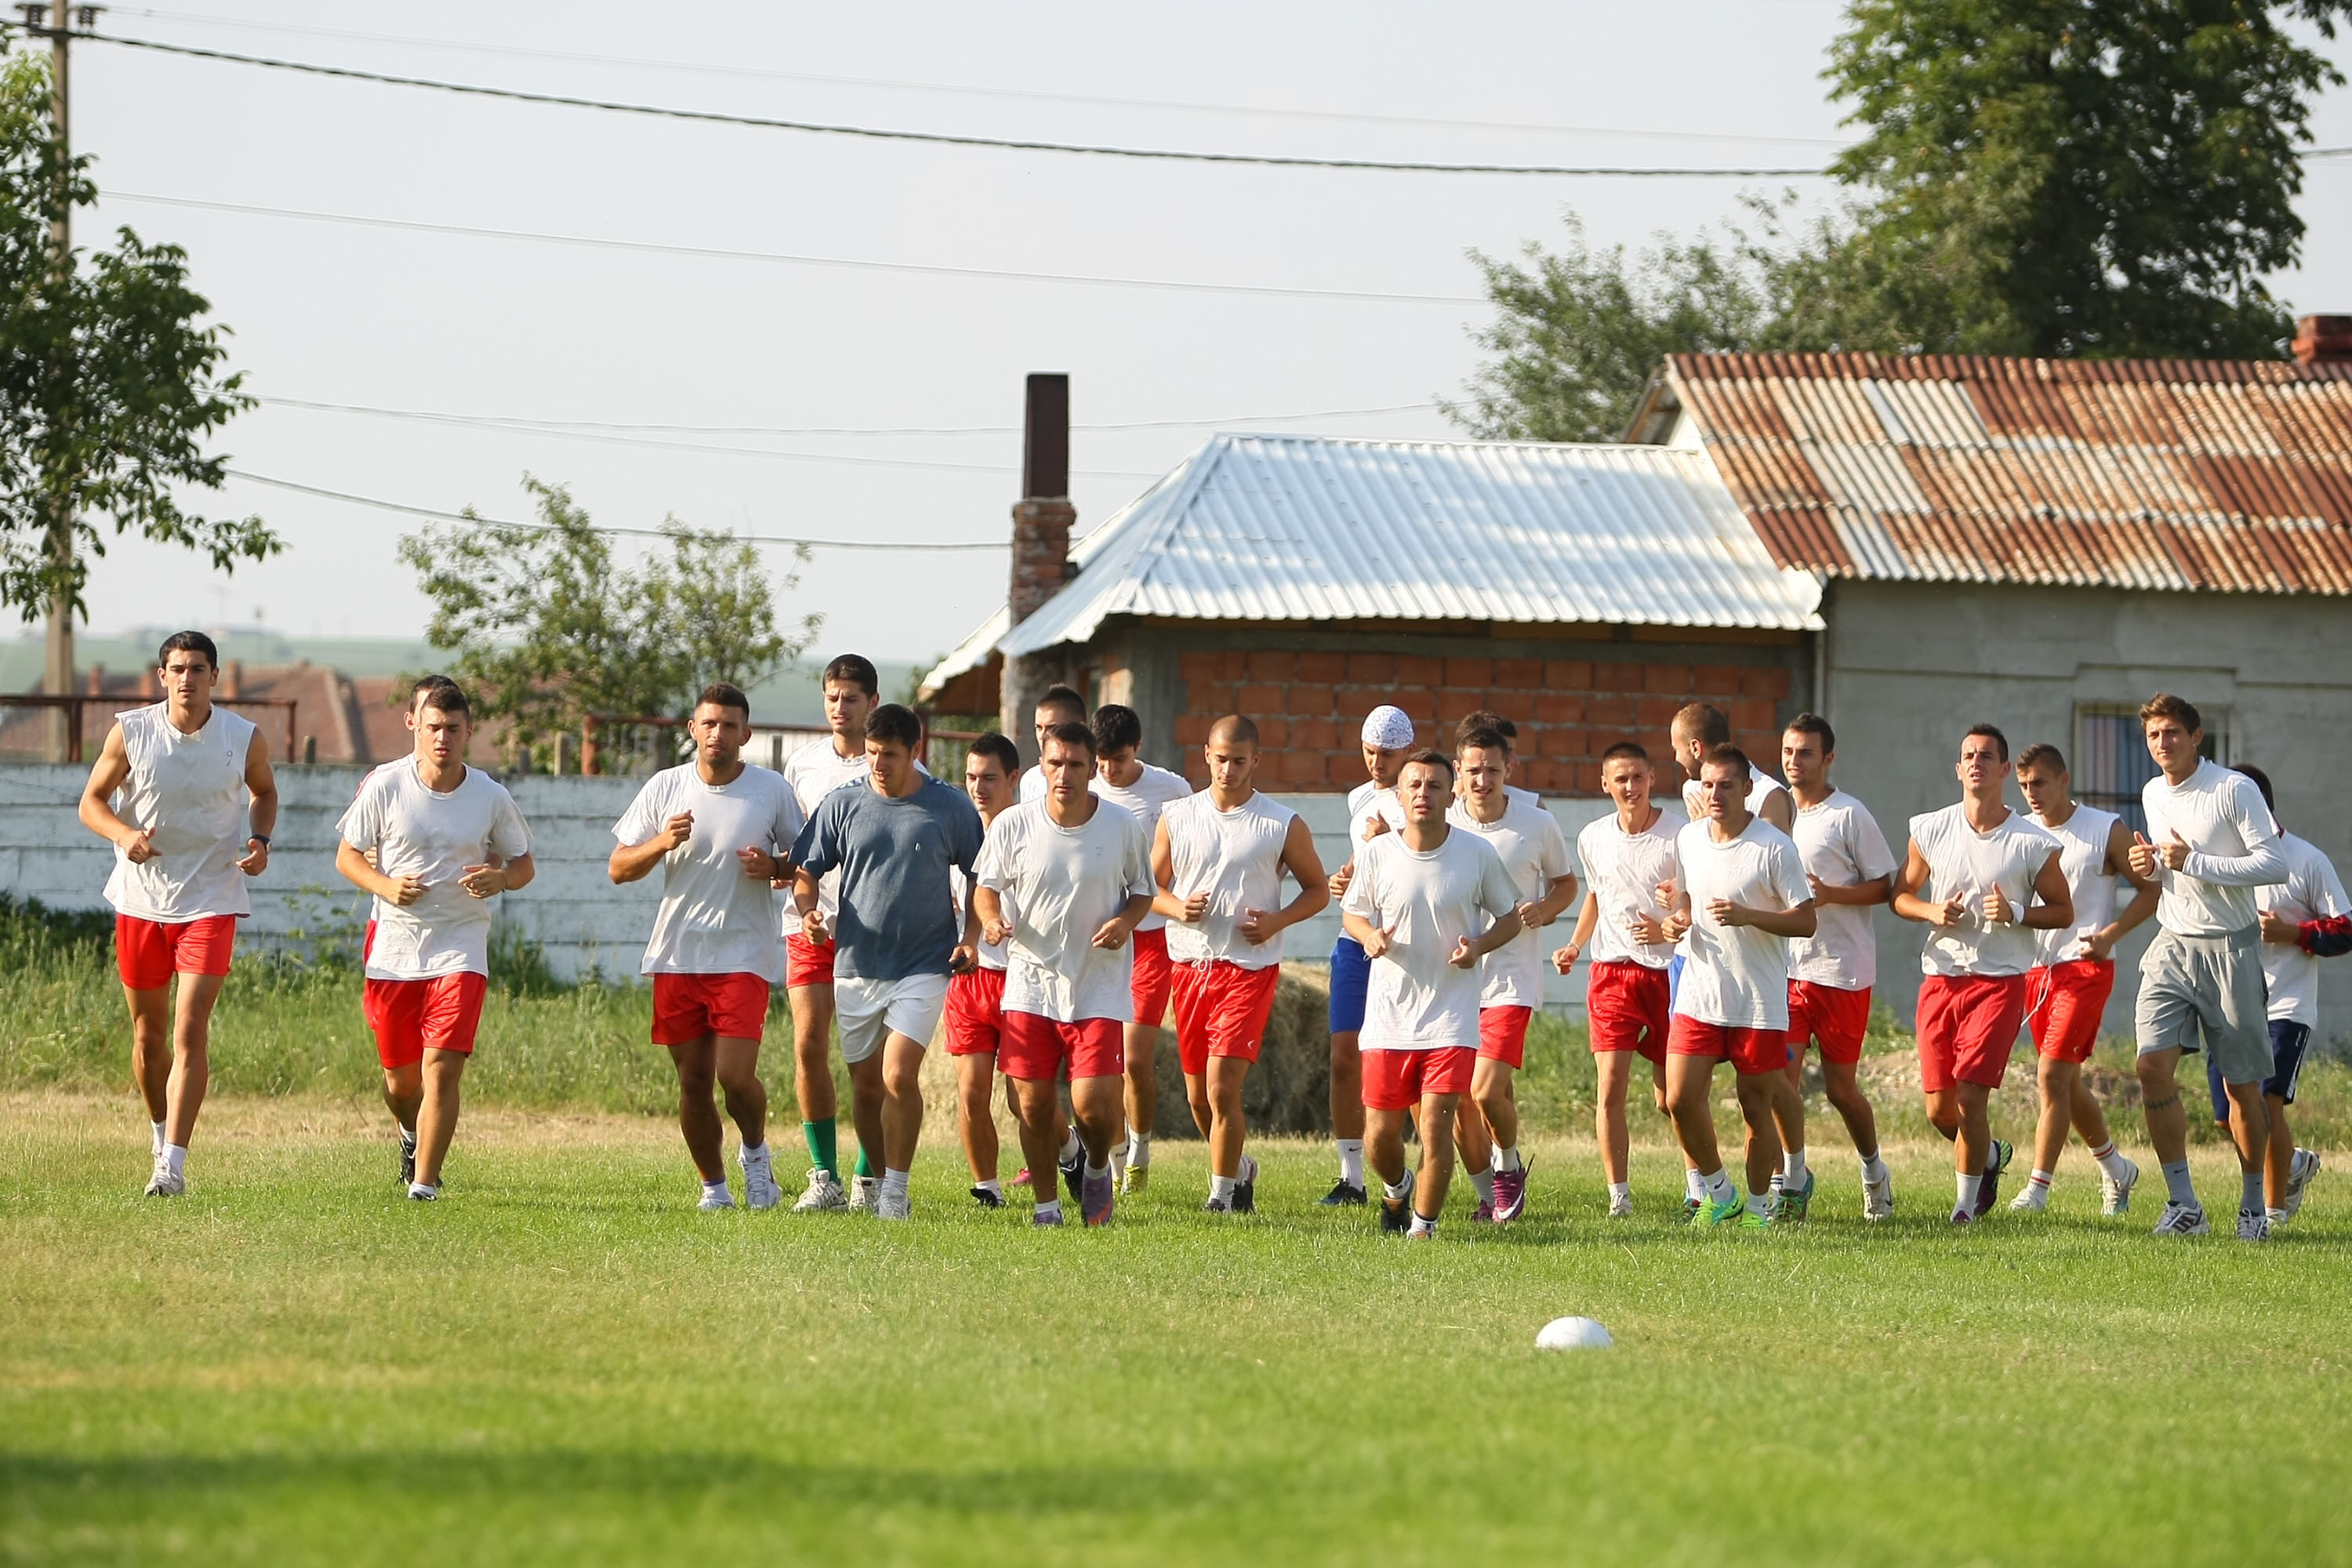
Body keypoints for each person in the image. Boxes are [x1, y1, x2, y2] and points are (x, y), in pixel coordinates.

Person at [78, 630, 278, 1197]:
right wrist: (124, 836)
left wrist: (261, 841)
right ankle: (159, 1131)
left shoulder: (242, 738)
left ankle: (173, 1165)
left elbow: (264, 792)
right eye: (177, 668)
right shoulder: (132, 731)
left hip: (211, 899)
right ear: (160, 676)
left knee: (191, 1030)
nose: (187, 678)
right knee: (149, 1038)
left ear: (215, 676)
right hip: (141, 900)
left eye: (197, 668)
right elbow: (91, 802)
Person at [334, 681, 534, 1201]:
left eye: (452, 729)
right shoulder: (385, 785)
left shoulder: (490, 795)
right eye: (433, 728)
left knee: (441, 1067)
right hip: (395, 950)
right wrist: (385, 886)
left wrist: (502, 880)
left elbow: (523, 863)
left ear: (469, 731)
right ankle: (408, 1134)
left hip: (461, 944)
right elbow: (348, 857)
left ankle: (424, 1185)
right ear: (414, 727)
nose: (442, 738)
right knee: (401, 1083)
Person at [608, 683, 804, 1211]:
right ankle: (714, 1190)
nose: (718, 733)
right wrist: (659, 843)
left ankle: (757, 1155)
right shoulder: (665, 787)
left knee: (733, 1076)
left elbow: (806, 861)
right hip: (677, 956)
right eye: (708, 723)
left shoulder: (771, 790)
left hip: (743, 955)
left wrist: (776, 868)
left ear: (746, 734)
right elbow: (619, 868)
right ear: (692, 730)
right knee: (693, 1082)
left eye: (729, 725)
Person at [789, 703, 985, 1221]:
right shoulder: (842, 804)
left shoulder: (950, 808)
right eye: (872, 753)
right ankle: (873, 1181)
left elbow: (981, 876)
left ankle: (895, 1193)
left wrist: (972, 937)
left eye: (890, 755)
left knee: (899, 1076)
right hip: (855, 965)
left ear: (914, 753)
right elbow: (805, 870)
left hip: (924, 964)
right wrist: (809, 912)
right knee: (867, 1086)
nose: (878, 763)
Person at [975, 721, 1155, 1227]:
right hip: (1031, 981)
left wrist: (1124, 922)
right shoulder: (1014, 824)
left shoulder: (1121, 827)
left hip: (1097, 982)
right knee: (1031, 1106)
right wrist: (990, 921)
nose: (1065, 774)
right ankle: (1047, 1208)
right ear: (1041, 765)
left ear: (1093, 769)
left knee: (1094, 1106)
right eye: (1056, 763)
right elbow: (986, 886)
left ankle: (1097, 1166)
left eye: (1077, 764)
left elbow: (1143, 890)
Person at [1342, 749, 1527, 1237]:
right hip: (1388, 1018)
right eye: (1415, 786)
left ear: (1453, 794)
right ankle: (1399, 1187)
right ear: (1399, 795)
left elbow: (1511, 917)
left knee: (1436, 1124)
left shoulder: (1477, 855)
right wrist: (1368, 936)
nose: (1424, 794)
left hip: (1451, 1017)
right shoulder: (1378, 854)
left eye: (1435, 786)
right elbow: (1352, 912)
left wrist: (1480, 946)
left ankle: (1423, 1227)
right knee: (1380, 1136)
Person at [2125, 694, 2290, 1240]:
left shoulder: (2233, 789)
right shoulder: (2152, 792)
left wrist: (2193, 861)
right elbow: (2166, 873)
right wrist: (2146, 866)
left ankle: (2251, 1208)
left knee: (2244, 1088)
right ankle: (2185, 1205)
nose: (2162, 743)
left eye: (2172, 732)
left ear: (2198, 737)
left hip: (2231, 950)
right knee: (2151, 1068)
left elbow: (2274, 863)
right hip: (2172, 944)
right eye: (2153, 735)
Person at [1891, 724, 2071, 1226]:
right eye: (1969, 755)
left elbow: (2062, 911)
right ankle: (1990, 1157)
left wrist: (2016, 911)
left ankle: (1965, 1207)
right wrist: (1930, 913)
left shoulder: (2030, 841)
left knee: (1971, 1096)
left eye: (1987, 756)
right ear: (1958, 768)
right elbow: (1900, 897)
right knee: (1939, 1110)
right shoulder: (1930, 827)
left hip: (1999, 979)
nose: (1977, 763)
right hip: (1941, 977)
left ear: (2005, 770)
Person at [1154, 713, 1329, 1214]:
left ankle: (1222, 1195)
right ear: (1205, 755)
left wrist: (1276, 921)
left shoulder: (1280, 822)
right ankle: (1240, 1166)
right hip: (1189, 965)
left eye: (1238, 760)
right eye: (1220, 759)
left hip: (1248, 969)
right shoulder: (1178, 815)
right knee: (1196, 1097)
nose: (1228, 770)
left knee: (1220, 1086)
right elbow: (1148, 888)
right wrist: (1177, 907)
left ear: (1256, 760)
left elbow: (1317, 891)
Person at [1659, 746, 1816, 1228]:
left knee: (1755, 1107)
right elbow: (1684, 898)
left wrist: (1750, 916)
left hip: (1758, 1000)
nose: (1716, 794)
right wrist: (1677, 920)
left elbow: (1806, 920)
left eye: (1727, 785)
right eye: (1708, 785)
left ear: (1748, 789)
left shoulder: (1774, 846)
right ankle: (1720, 1191)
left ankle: (1755, 1208)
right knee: (1679, 1099)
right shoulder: (1688, 838)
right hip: (1701, 993)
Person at [2011, 743, 2158, 1214]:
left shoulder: (2103, 828)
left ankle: (2036, 1190)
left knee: (2052, 1074)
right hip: (2036, 972)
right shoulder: (2022, 831)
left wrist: (2110, 934)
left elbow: (2152, 891)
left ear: (2064, 780)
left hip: (2086, 968)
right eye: (2024, 786)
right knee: (2067, 1085)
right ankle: (2117, 1168)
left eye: (2039, 783)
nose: (2032, 794)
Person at [2201, 764, 2344, 1226]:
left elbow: (2345, 928)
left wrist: (2292, 932)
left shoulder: (2305, 859)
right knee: (2228, 1117)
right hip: (2230, 1003)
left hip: (2286, 1005)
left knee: (2266, 1103)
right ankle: (2295, 1163)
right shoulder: (2219, 860)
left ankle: (2273, 1211)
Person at [1448, 726, 1577, 1222]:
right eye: (1473, 770)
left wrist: (1545, 909)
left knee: (1484, 1089)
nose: (1483, 780)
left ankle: (1507, 1166)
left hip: (1511, 976)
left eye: (1492, 770)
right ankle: (1489, 1195)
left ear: (1510, 770)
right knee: (1464, 1099)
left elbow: (1566, 884)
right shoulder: (1441, 822)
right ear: (1458, 771)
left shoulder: (1535, 824)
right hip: (1455, 977)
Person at [1554, 741, 1686, 1218]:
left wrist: (1667, 924)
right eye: (1620, 779)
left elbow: (1692, 905)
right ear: (1605, 784)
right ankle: (1619, 1198)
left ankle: (1698, 1188)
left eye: (1638, 777)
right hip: (1611, 973)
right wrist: (1574, 943)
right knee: (1609, 1087)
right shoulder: (1592, 837)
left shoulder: (1680, 836)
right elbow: (1596, 894)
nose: (1630, 788)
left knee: (1672, 1099)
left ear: (1653, 778)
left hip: (1670, 973)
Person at [1777, 713, 1899, 1221]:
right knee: (1776, 1081)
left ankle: (1874, 1173)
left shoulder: (1849, 815)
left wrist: (1829, 895)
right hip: (1788, 971)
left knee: (1840, 1090)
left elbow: (1887, 886)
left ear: (1827, 759)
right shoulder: (1774, 816)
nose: (1793, 761)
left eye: (1805, 753)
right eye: (1787, 751)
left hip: (1842, 971)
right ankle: (1794, 1177)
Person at [779, 652, 881, 1210]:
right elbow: (799, 851)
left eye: (851, 698)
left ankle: (869, 1180)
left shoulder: (886, 766)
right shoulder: (803, 765)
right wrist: (787, 881)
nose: (840, 708)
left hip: (873, 930)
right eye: (832, 697)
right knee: (808, 1043)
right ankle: (824, 1177)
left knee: (867, 1056)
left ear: (873, 704)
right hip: (808, 926)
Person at [1088, 702, 1195, 1195]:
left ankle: (1141, 1148)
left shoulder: (1171, 790)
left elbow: (1197, 848)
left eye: (1121, 759)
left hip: (1151, 937)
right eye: (1103, 759)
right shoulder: (1084, 790)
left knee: (1133, 1056)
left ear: (1139, 750)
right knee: (1100, 1060)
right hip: (1099, 938)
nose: (1110, 769)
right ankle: (1109, 1158)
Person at [1320, 705, 1414, 1206]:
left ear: (1409, 752)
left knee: (1407, 1058)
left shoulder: (1425, 798)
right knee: (1343, 1054)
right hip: (1356, 940)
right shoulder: (1360, 797)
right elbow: (1364, 864)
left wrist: (1389, 843)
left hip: (1403, 945)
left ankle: (1427, 1165)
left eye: (1388, 754)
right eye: (1370, 752)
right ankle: (1350, 1175)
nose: (1377, 762)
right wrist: (1347, 873)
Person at [944, 732, 1021, 1208]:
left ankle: (1070, 1151)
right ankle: (987, 1189)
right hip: (969, 979)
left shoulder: (1033, 831)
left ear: (1013, 778)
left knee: (1022, 1101)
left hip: (1021, 981)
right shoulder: (958, 835)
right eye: (971, 777)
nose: (978, 787)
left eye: (989, 777)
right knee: (971, 1092)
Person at [1672, 702, 1793, 833]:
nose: (1676, 758)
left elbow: (1773, 851)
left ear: (1695, 748)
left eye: (1676, 749)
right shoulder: (1692, 789)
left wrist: (1710, 829)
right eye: (1708, 786)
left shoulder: (1769, 796)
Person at [1016, 684, 1089, 804]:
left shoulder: (1102, 781)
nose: (1043, 736)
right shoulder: (1030, 780)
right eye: (1039, 728)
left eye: (1052, 728)